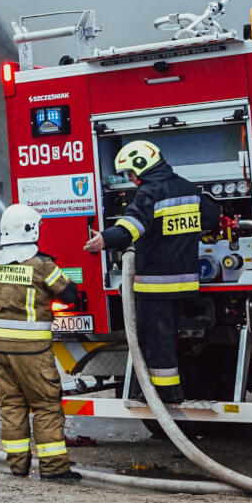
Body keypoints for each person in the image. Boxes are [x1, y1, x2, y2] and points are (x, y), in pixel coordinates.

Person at [83, 139, 208, 405]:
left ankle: (165, 393)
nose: (130, 178)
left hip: (155, 287)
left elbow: (132, 226)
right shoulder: (189, 189)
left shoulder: (150, 193)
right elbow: (211, 217)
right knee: (181, 340)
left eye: (130, 172)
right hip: (188, 284)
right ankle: (180, 386)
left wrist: (105, 239)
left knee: (156, 342)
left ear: (142, 166)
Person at [0, 202, 83, 482]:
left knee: (11, 406)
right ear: (30, 230)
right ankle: (54, 469)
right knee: (45, 405)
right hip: (32, 351)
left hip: (0, 350)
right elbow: (69, 294)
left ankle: (18, 466)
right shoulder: (41, 264)